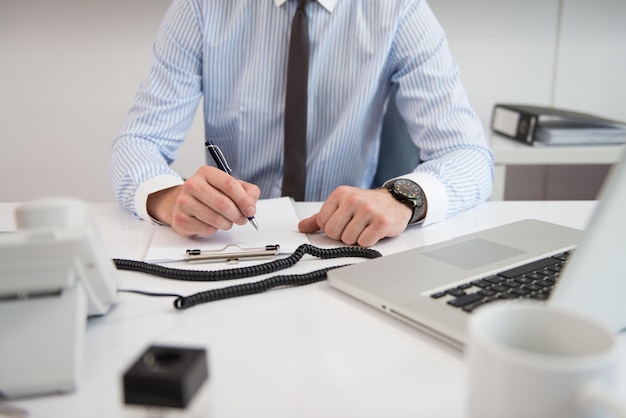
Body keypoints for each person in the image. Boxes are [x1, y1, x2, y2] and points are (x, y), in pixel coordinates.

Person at [110, 0, 494, 247]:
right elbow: (139, 141)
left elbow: (469, 154)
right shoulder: (201, 7)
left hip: (345, 244)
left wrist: (402, 198)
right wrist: (166, 197)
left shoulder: (399, 10)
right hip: (232, 244)